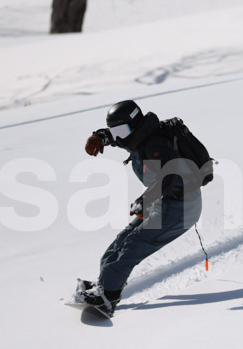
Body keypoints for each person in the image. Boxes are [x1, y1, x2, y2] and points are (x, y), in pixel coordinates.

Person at [78, 100, 203, 314]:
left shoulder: (155, 144)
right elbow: (116, 136)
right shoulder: (137, 136)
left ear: (135, 125)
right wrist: (100, 136)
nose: (118, 137)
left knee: (133, 244)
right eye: (115, 131)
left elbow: (170, 175)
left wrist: (145, 200)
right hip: (162, 201)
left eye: (121, 131)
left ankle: (108, 296)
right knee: (122, 240)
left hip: (181, 207)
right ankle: (104, 284)